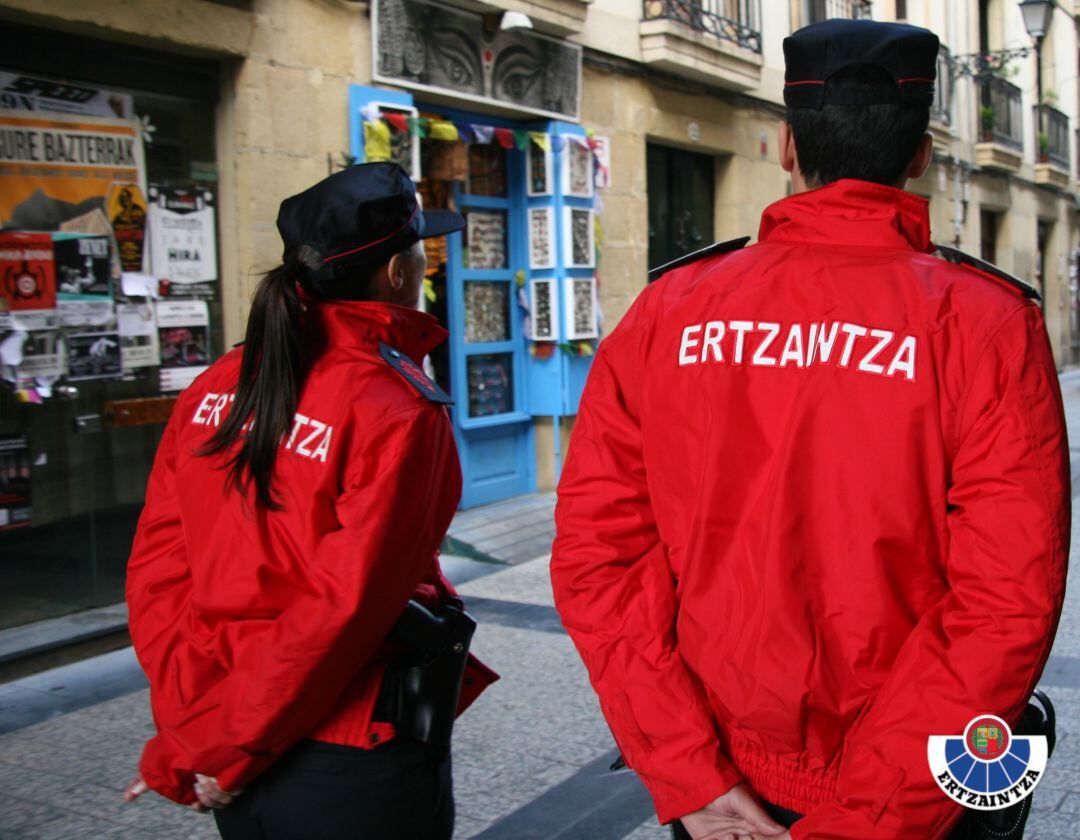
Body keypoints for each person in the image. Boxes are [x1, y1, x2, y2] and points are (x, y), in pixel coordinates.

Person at [550, 19, 1070, 840]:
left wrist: (685, 769)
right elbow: (1006, 602)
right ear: (922, 154)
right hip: (916, 799)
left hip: (727, 792)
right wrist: (871, 815)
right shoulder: (989, 323)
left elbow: (598, 557)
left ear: (787, 147)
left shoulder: (671, 311)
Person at [122, 162, 497, 839]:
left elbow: (158, 572)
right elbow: (343, 610)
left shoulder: (217, 384)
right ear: (395, 275)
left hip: (236, 740)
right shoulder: (396, 408)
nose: (425, 272)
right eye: (422, 256)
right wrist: (229, 747)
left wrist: (197, 731)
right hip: (347, 754)